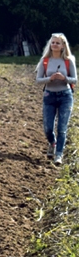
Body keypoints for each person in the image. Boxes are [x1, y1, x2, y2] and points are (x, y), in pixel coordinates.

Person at [36, 34, 75, 165]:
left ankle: (59, 155)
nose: (55, 45)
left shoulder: (69, 61)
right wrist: (50, 79)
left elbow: (75, 79)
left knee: (62, 128)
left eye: (58, 43)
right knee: (48, 128)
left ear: (63, 45)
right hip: (49, 96)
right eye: (53, 43)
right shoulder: (45, 60)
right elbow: (38, 80)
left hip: (65, 95)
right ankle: (53, 143)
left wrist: (64, 79)